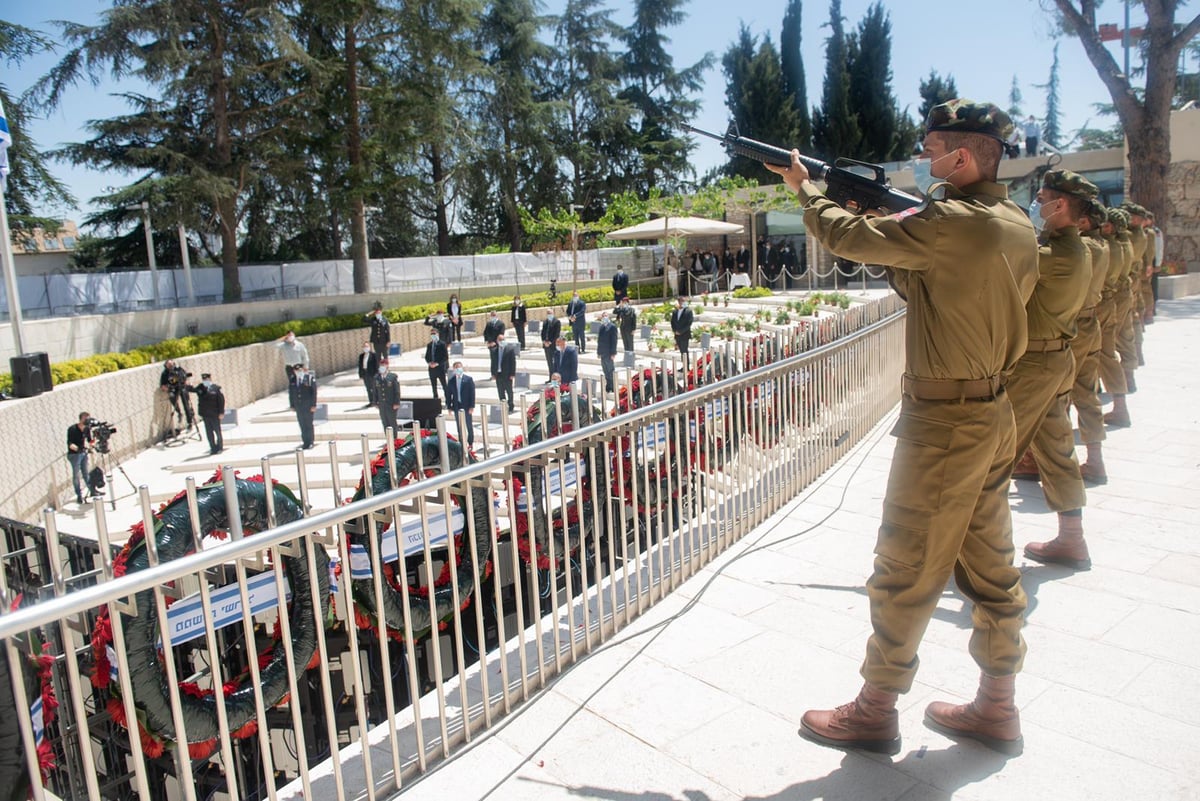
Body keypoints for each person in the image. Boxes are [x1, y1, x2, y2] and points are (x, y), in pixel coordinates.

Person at [767, 99, 1038, 756]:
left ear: (964, 157)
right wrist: (889, 227)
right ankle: (997, 706)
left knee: (906, 563)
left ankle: (874, 707)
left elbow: (844, 240)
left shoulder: (950, 221)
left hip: (946, 422)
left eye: (933, 148)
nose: (925, 159)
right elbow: (935, 291)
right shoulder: (1015, 224)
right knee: (992, 561)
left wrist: (809, 189)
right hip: (994, 412)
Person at [1004, 170, 1096, 570]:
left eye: (1041, 198)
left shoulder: (1053, 255)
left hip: (1035, 366)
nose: (1036, 203)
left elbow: (1005, 260)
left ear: (1059, 205)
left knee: (995, 453)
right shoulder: (1078, 249)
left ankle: (980, 550)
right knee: (1057, 450)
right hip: (1056, 361)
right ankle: (1072, 539)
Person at [190, 373, 226, 455]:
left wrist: (221, 412)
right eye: (204, 380)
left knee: (217, 432)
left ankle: (220, 447)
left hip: (215, 413)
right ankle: (213, 448)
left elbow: (221, 401)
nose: (205, 381)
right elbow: (191, 390)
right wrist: (187, 383)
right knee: (209, 433)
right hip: (206, 414)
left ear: (210, 379)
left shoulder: (216, 388)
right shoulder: (200, 388)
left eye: (206, 379)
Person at [159, 359, 196, 435]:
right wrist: (167, 388)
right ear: (166, 366)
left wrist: (185, 382)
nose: (171, 366)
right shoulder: (165, 373)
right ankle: (179, 412)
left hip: (181, 387)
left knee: (186, 404)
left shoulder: (179, 369)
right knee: (172, 396)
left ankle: (189, 422)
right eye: (169, 365)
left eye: (172, 364)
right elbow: (162, 386)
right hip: (173, 389)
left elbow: (185, 377)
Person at [446, 361, 476, 447]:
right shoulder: (451, 381)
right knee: (459, 426)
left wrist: (472, 406)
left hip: (466, 406)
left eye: (459, 367)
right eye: (456, 368)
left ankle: (470, 443)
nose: (458, 369)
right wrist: (449, 407)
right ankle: (461, 443)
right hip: (457, 406)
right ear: (454, 369)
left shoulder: (468, 379)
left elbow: (472, 393)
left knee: (468, 425)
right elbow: (449, 395)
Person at [66, 412, 94, 504]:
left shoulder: (87, 428)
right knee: (76, 475)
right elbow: (70, 444)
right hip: (74, 455)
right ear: (81, 419)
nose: (87, 421)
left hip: (83, 453)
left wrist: (91, 447)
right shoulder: (72, 429)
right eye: (86, 419)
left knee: (86, 472)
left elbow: (90, 440)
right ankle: (79, 495)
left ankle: (92, 490)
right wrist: (77, 449)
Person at [276, 331, 309, 409]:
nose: (290, 336)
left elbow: (305, 356)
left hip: (298, 366)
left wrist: (306, 366)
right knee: (292, 386)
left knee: (301, 384)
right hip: (289, 367)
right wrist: (283, 338)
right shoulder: (284, 345)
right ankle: (293, 404)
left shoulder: (300, 345)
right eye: (288, 335)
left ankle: (303, 401)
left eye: (291, 335)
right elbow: (274, 345)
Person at [293, 363, 317, 449]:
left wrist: (313, 404)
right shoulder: (293, 380)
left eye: (300, 370)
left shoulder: (309, 379)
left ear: (303, 370)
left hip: (308, 405)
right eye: (296, 371)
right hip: (299, 406)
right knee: (302, 424)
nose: (298, 372)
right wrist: (292, 405)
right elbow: (291, 393)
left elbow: (313, 392)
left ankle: (310, 441)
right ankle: (305, 442)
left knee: (308, 424)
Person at [376, 360, 401, 434]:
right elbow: (375, 391)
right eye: (381, 365)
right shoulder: (377, 377)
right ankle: (388, 438)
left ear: (387, 365)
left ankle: (394, 440)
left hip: (391, 404)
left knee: (392, 422)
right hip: (382, 404)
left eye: (384, 365)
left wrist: (397, 403)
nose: (382, 367)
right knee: (384, 422)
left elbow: (397, 391)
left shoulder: (392, 377)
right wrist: (375, 402)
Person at [495, 334, 518, 413]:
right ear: (497, 341)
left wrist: (512, 374)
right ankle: (503, 406)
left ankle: (511, 405)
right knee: (500, 391)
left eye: (502, 340)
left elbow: (513, 362)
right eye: (500, 340)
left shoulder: (509, 349)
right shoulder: (495, 350)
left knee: (509, 391)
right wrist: (493, 373)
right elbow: (493, 362)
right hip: (498, 374)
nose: (501, 342)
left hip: (507, 374)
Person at [424, 329, 450, 400]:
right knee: (433, 386)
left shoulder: (442, 344)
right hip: (432, 369)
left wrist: (437, 363)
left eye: (434, 334)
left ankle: (448, 400)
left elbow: (445, 357)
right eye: (432, 334)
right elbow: (427, 356)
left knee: (444, 385)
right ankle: (435, 399)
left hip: (440, 368)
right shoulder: (429, 345)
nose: (433, 335)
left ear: (438, 334)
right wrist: (429, 363)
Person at [596, 310, 618, 393]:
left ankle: (613, 386)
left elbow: (614, 341)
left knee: (610, 370)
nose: (604, 317)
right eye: (603, 316)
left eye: (606, 316)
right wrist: (598, 352)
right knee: (605, 370)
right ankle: (608, 385)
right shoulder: (601, 327)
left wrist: (613, 353)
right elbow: (599, 340)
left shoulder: (612, 327)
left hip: (609, 352)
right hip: (602, 352)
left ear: (608, 317)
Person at [670, 296, 694, 365]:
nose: (682, 303)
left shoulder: (688, 311)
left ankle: (687, 367)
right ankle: (683, 366)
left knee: (684, 351)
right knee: (681, 351)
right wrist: (675, 331)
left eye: (683, 301)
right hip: (677, 335)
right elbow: (672, 322)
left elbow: (689, 323)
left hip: (684, 335)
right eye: (680, 301)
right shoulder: (675, 312)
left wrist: (681, 331)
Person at [357, 341, 379, 407]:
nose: (365, 348)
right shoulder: (361, 356)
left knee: (374, 388)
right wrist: (360, 375)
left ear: (369, 347)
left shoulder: (373, 355)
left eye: (367, 346)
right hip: (365, 374)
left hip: (372, 374)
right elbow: (360, 366)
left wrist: (376, 374)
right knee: (368, 388)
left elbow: (376, 365)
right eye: (364, 347)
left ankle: (376, 401)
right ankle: (371, 402)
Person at [483, 310, 506, 375]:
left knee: (498, 359)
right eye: (492, 315)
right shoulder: (489, 323)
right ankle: (493, 374)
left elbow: (501, 334)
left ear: (497, 315)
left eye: (494, 315)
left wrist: (496, 342)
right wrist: (487, 342)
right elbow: (485, 333)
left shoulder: (501, 324)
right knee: (493, 360)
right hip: (490, 345)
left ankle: (499, 373)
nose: (493, 316)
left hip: (498, 344)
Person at [541, 309, 562, 374]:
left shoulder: (557, 322)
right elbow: (542, 333)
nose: (549, 315)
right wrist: (544, 341)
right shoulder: (545, 322)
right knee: (549, 362)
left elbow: (556, 334)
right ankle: (551, 377)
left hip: (553, 345)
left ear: (553, 313)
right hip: (546, 345)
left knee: (554, 362)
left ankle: (556, 378)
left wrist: (550, 342)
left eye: (550, 313)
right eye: (548, 313)